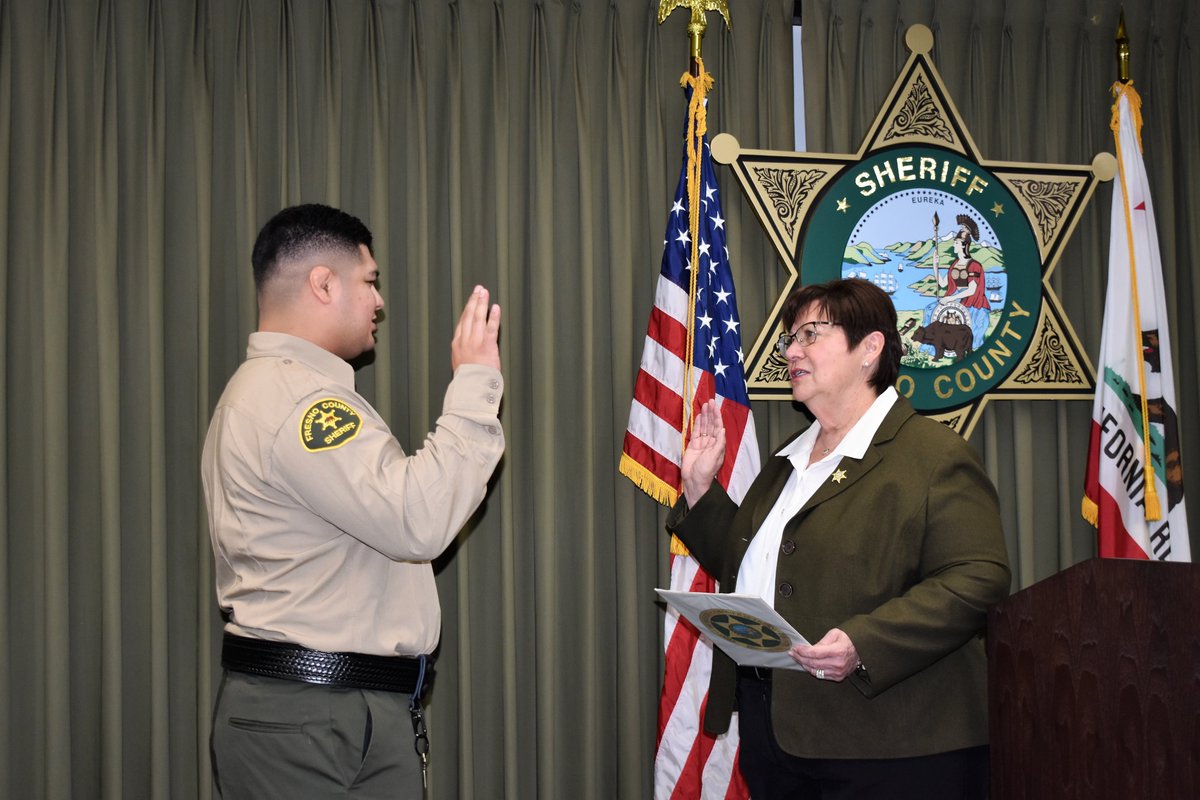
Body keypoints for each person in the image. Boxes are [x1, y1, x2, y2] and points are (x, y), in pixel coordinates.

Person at [201, 203, 504, 799]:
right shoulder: (297, 401)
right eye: (370, 282)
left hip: (327, 713)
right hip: (314, 719)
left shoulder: (281, 391)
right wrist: (473, 385)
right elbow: (417, 518)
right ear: (323, 283)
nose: (379, 303)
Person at [668, 278, 1010, 799]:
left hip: (895, 748)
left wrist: (864, 643)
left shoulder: (933, 455)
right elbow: (753, 567)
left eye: (811, 334)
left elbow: (978, 579)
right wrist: (699, 490)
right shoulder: (790, 459)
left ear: (870, 348)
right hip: (778, 735)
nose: (791, 350)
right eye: (790, 338)